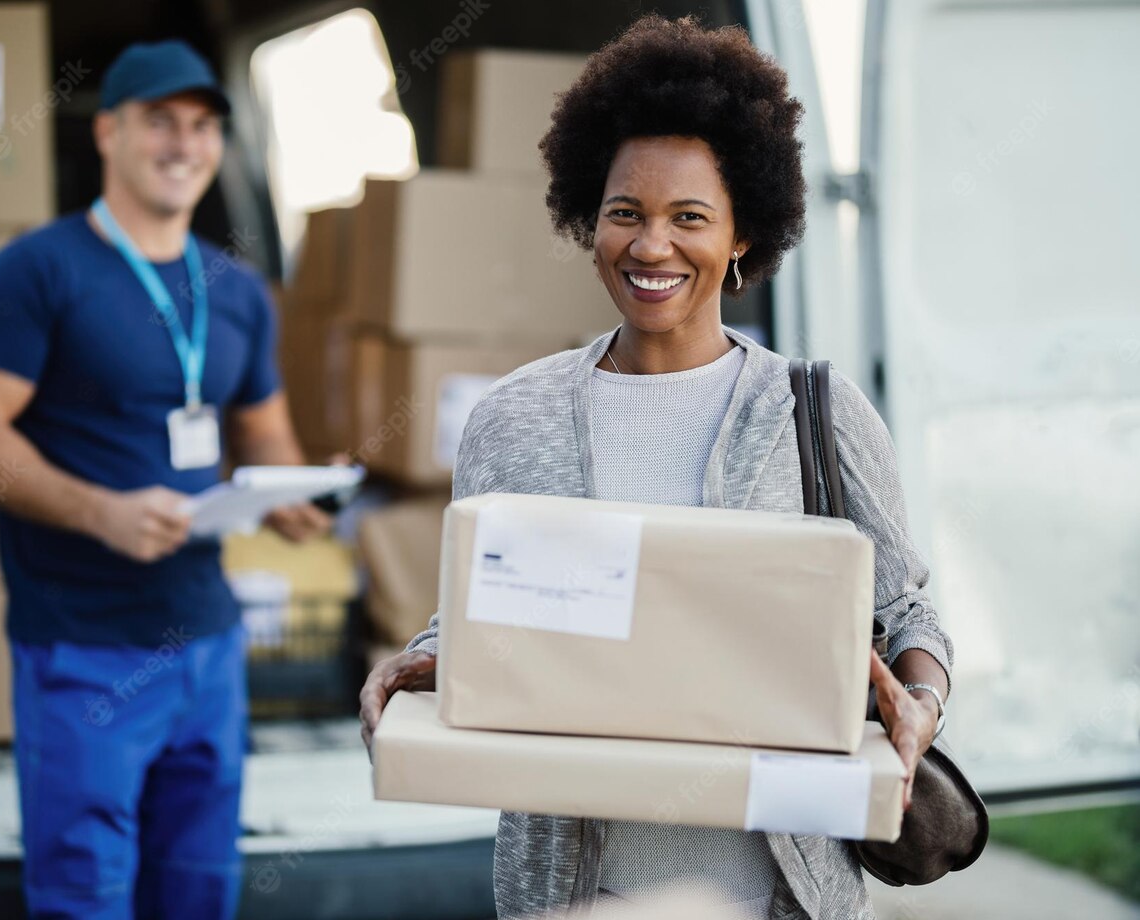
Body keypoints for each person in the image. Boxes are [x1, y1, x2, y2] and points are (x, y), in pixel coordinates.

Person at [359, 15, 951, 920]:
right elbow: (491, 606)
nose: (651, 247)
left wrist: (917, 701)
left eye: (690, 218)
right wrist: (422, 659)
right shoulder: (513, 417)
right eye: (624, 213)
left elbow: (907, 611)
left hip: (775, 896)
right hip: (575, 894)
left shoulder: (814, 412)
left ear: (743, 232)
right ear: (587, 218)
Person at [0, 40, 328, 920]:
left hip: (209, 645)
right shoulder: (36, 271)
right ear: (109, 131)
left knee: (198, 891)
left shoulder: (235, 291)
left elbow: (267, 440)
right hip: (83, 647)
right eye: (161, 121)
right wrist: (101, 513)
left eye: (203, 126)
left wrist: (293, 502)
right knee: (88, 897)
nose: (184, 144)